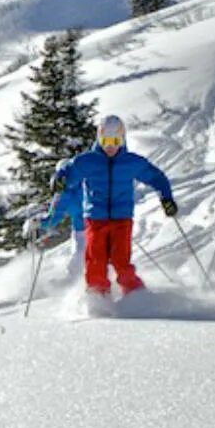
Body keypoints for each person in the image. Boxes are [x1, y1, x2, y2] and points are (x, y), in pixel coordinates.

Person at [34, 115, 177, 298]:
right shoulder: (88, 161)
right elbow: (68, 171)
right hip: (95, 219)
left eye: (115, 141)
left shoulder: (131, 162)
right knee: (95, 261)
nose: (110, 146)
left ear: (122, 139)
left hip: (122, 219)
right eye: (105, 141)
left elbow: (157, 177)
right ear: (99, 139)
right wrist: (60, 179)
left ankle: (136, 295)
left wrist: (166, 198)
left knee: (121, 262)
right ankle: (97, 295)